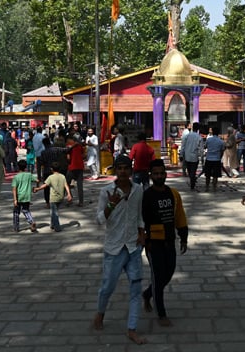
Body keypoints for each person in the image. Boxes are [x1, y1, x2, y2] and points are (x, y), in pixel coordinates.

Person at [92, 155, 147, 345]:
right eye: (119, 168)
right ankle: (100, 314)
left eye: (126, 168)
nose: (123, 171)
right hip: (114, 248)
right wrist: (110, 205)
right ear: (115, 170)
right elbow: (99, 220)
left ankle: (131, 328)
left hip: (133, 246)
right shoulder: (106, 191)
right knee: (107, 286)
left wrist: (142, 233)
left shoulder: (138, 190)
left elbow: (139, 214)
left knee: (136, 288)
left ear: (131, 170)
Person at [141, 159, 188, 327]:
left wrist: (183, 236)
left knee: (169, 273)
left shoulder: (173, 194)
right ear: (151, 175)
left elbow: (180, 216)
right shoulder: (146, 196)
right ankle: (161, 313)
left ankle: (147, 294)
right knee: (158, 275)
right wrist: (144, 240)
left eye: (162, 173)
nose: (159, 176)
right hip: (154, 244)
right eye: (156, 173)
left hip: (170, 241)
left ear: (166, 175)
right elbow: (141, 220)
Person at [34, 161, 72, 232]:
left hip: (53, 198)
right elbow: (66, 185)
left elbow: (45, 185)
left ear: (51, 169)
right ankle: (52, 224)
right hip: (61, 197)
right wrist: (69, 194)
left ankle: (57, 227)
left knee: (55, 213)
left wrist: (38, 188)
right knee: (53, 211)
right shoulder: (62, 176)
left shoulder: (50, 177)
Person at [12, 160, 39, 233]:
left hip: (19, 196)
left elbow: (14, 189)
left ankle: (16, 227)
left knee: (16, 212)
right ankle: (31, 222)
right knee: (26, 210)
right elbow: (37, 180)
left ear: (18, 167)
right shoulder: (29, 175)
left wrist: (15, 200)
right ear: (26, 167)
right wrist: (36, 188)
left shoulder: (16, 177)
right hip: (27, 196)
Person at [180, 122, 203, 190]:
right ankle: (192, 180)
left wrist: (181, 154)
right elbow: (201, 149)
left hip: (187, 156)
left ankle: (192, 180)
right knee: (193, 171)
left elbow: (183, 145)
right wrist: (202, 158)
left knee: (190, 171)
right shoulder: (199, 137)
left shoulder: (187, 136)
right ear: (198, 129)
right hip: (194, 157)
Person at [66, 134, 86, 206]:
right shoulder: (80, 146)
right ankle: (81, 202)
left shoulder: (68, 147)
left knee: (66, 183)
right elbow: (84, 156)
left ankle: (70, 199)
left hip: (72, 167)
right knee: (80, 185)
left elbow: (68, 158)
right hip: (80, 167)